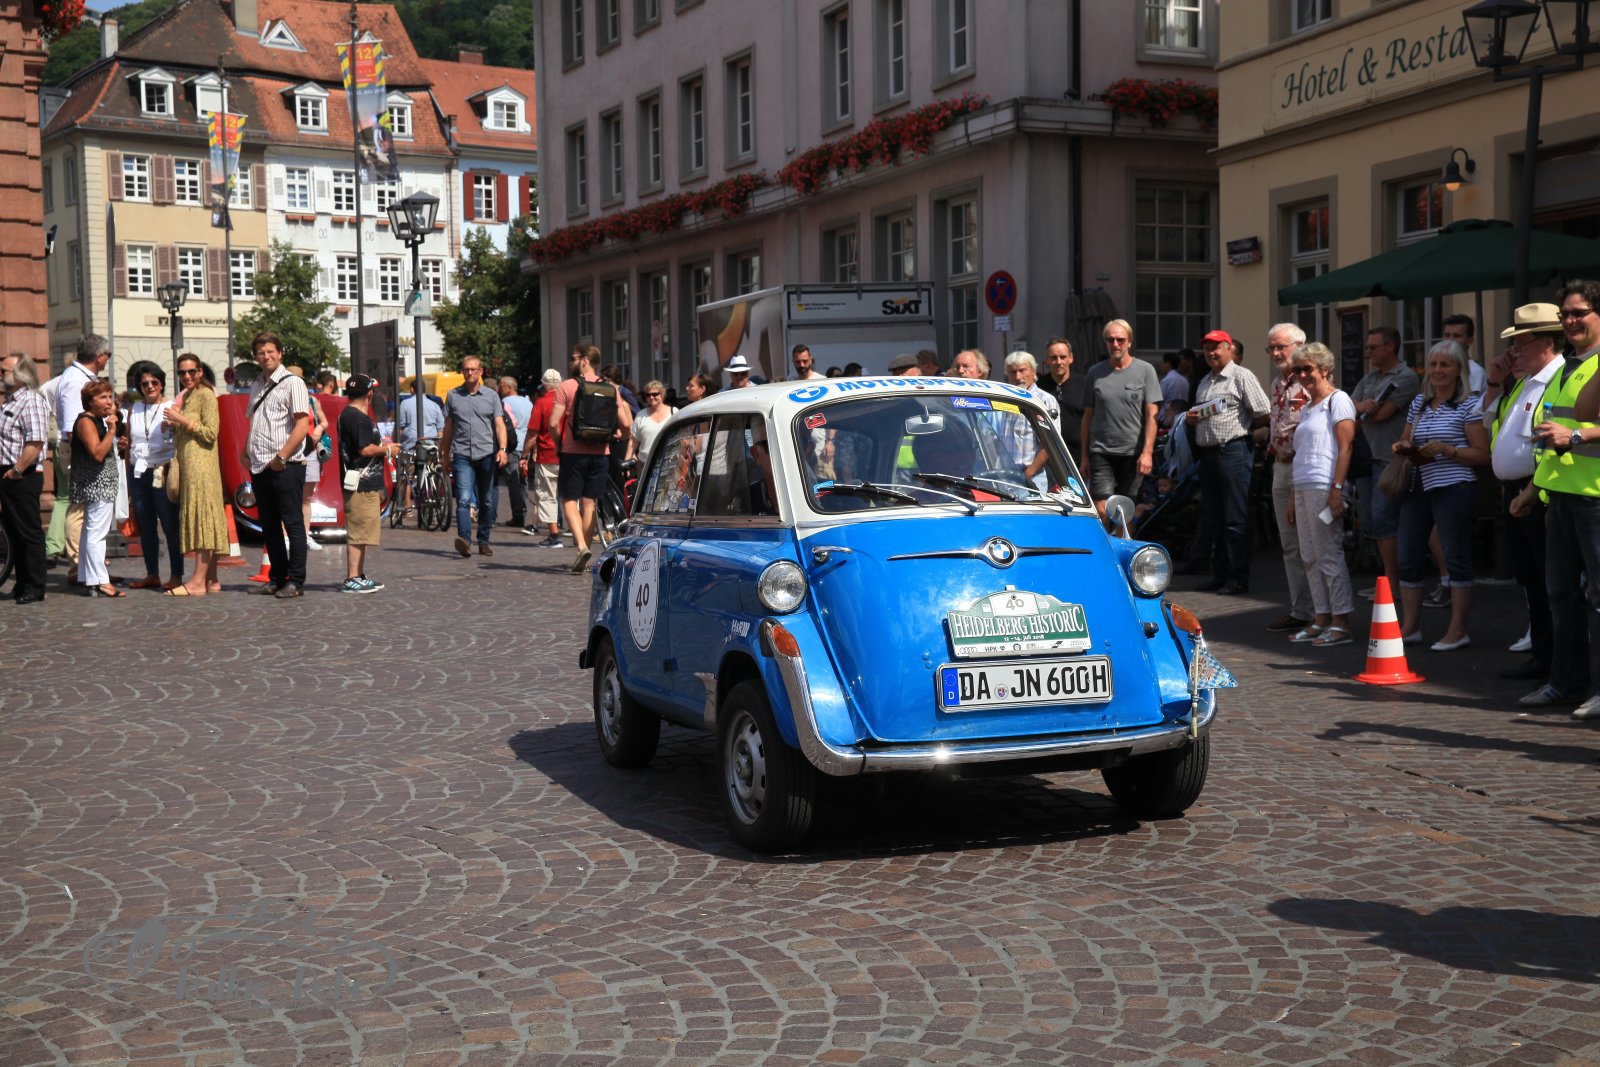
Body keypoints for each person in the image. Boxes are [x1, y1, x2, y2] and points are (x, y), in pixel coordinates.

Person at [1515, 280, 1600, 718]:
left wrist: (1578, 436)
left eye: (1579, 312)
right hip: (1563, 496)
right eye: (1565, 314)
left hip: (1595, 498)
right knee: (1562, 594)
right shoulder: (1567, 367)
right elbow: (1553, 433)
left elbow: (1573, 431)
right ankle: (1565, 683)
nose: (1570, 321)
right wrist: (1535, 490)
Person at [1482, 304, 1566, 684]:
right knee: (1530, 577)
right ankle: (1544, 654)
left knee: (1552, 581)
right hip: (1515, 491)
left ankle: (1559, 659)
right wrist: (1495, 382)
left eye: (1521, 342)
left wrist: (1533, 490)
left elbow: (1554, 444)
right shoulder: (1524, 381)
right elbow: (1488, 421)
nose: (1513, 350)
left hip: (1540, 493)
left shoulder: (1558, 378)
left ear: (1547, 342)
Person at [1393, 340, 1489, 650]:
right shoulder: (1420, 402)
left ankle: (1458, 631)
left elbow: (1482, 455)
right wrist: (1402, 447)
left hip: (1453, 487)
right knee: (1407, 556)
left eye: (1444, 365)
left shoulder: (1469, 404)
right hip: (1418, 485)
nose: (1437, 371)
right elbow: (1405, 439)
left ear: (1459, 369)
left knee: (1454, 556)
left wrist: (1449, 450)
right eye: (1433, 364)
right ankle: (1410, 627)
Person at [1284, 342, 1356, 647]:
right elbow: (1301, 453)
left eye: (1308, 369)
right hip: (1304, 485)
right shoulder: (1308, 407)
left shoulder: (1338, 400)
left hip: (1324, 483)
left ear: (1325, 369)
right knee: (1309, 556)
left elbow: (1346, 448)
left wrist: (1336, 489)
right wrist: (1292, 496)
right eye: (1298, 370)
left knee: (1328, 553)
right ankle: (1321, 617)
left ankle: (1341, 620)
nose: (1302, 375)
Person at [1188, 329, 1271, 595]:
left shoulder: (1241, 376)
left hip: (1233, 451)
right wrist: (1192, 418)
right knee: (1214, 517)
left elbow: (1263, 413)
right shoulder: (1206, 380)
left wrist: (1242, 430)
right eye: (1207, 349)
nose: (1211, 353)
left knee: (1236, 517)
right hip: (1209, 454)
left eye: (1216, 348)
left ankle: (1238, 577)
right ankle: (1220, 574)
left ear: (1228, 348)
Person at [1352, 326, 1420, 605]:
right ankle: (1387, 580)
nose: (1368, 352)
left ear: (1390, 347)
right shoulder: (1370, 378)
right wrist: (1359, 407)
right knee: (1371, 521)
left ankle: (1394, 583)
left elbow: (1380, 415)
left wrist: (1361, 410)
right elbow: (1349, 405)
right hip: (1367, 456)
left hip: (1390, 458)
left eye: (1373, 347)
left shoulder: (1406, 377)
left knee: (1384, 519)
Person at [242, 332, 312, 598]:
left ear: (280, 354)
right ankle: (277, 577)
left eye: (271, 351)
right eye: (261, 353)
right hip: (260, 465)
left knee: (292, 523)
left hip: (286, 464)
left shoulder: (293, 383)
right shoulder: (257, 384)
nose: (266, 356)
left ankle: (296, 581)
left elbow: (302, 425)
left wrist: (281, 457)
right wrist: (245, 451)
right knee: (269, 526)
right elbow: (256, 421)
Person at [552, 344, 632, 573]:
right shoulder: (610, 388)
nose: (570, 362)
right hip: (600, 453)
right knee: (590, 504)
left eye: (573, 358)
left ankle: (581, 546)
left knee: (569, 500)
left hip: (573, 451)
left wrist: (559, 443)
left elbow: (552, 423)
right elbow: (626, 423)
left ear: (585, 360)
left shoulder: (567, 386)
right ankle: (585, 553)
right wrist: (620, 436)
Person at [162, 355, 227, 597]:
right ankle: (211, 579)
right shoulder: (188, 396)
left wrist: (181, 419)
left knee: (203, 520)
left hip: (202, 467)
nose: (187, 376)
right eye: (182, 373)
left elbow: (210, 433)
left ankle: (197, 582)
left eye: (191, 371)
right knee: (204, 518)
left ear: (200, 372)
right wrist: (173, 425)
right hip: (190, 466)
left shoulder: (206, 395)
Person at [1081, 319, 1161, 516]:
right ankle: (1104, 538)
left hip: (1133, 452)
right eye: (1110, 340)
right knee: (1102, 510)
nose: (1115, 344)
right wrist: (1084, 456)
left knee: (1126, 512)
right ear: (1105, 343)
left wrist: (1147, 453)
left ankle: (1122, 538)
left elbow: (1152, 415)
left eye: (1120, 340)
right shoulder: (1095, 373)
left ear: (1129, 342)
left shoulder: (1145, 370)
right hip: (1101, 451)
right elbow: (1087, 416)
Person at [1263, 324, 1313, 630]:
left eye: (1281, 347)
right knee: (1289, 543)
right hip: (1281, 465)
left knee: (1310, 542)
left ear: (1300, 345)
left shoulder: (1310, 380)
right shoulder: (1277, 383)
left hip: (1304, 465)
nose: (1276, 353)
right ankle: (1301, 610)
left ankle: (1323, 612)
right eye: (1271, 348)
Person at [50, 334, 111, 578]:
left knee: (85, 509)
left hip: (83, 450)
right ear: (100, 356)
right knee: (78, 509)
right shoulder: (76, 380)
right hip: (80, 452)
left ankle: (88, 565)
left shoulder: (80, 377)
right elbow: (73, 426)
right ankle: (79, 566)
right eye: (107, 355)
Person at [121, 361, 183, 591]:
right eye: (144, 383)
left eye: (154, 382)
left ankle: (176, 575)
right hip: (139, 472)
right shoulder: (134, 408)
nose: (149, 386)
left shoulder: (171, 406)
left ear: (161, 383)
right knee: (146, 525)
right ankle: (152, 574)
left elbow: (179, 439)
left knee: (169, 525)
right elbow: (129, 443)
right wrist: (128, 476)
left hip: (162, 470)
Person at [441, 355, 509, 559]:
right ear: (462, 371)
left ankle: (484, 540)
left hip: (486, 453)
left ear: (480, 372)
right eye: (466, 369)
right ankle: (465, 541)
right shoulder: (453, 395)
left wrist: (502, 449)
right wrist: (445, 454)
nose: (470, 373)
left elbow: (499, 425)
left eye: (473, 369)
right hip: (462, 453)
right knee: (463, 499)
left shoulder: (491, 396)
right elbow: (448, 427)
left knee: (486, 501)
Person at [337, 374, 396, 593]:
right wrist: (388, 449)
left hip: (363, 481)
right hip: (360, 483)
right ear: (369, 393)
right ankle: (352, 578)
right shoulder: (357, 417)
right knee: (358, 531)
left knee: (362, 531)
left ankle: (359, 575)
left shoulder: (350, 414)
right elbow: (364, 449)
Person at [0, 352, 50, 604]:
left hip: (23, 473)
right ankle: (22, 583)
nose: (1, 375)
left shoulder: (31, 400)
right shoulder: (9, 401)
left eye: (4, 371)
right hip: (7, 472)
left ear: (21, 374)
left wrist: (17, 470)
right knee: (13, 531)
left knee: (28, 531)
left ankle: (35, 586)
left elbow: (36, 441)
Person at [71, 379, 123, 598]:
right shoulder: (87, 421)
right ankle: (100, 581)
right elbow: (97, 453)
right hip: (96, 484)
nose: (109, 402)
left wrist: (116, 442)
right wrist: (112, 430)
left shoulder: (96, 421)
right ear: (90, 401)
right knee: (96, 534)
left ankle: (88, 577)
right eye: (103, 397)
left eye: (110, 397)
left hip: (100, 483)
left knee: (90, 532)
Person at [1000, 351, 1058, 490]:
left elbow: (1051, 443)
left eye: (1022, 370)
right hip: (1005, 477)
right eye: (1013, 372)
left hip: (1032, 476)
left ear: (1033, 371)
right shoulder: (1004, 399)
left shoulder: (1044, 400)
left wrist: (1029, 473)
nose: (1018, 376)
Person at [520, 368, 565, 546]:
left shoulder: (541, 402)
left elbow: (532, 433)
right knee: (572, 497)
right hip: (569, 455)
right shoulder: (568, 400)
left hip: (547, 455)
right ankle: (579, 535)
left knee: (547, 495)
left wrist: (524, 455)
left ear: (544, 385)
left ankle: (554, 535)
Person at [1040, 338, 1085, 468]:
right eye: (1053, 358)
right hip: (1049, 460)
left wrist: (1086, 457)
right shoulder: (1039, 387)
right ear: (1047, 360)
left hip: (1079, 459)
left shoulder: (1084, 384)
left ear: (1071, 358)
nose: (1059, 362)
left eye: (1063, 357)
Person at [498, 375, 533, 530]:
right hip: (526, 445)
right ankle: (523, 509)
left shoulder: (504, 403)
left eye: (501, 386)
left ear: (510, 387)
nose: (499, 389)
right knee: (523, 479)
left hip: (512, 444)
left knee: (513, 480)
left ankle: (518, 514)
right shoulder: (528, 403)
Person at [632, 380, 675, 462]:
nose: (651, 397)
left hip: (668, 462)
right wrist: (628, 458)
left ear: (662, 394)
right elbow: (633, 441)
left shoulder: (674, 412)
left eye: (655, 394)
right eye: (648, 395)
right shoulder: (640, 415)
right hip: (644, 463)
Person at [1159, 351, 1191, 429]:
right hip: (1182, 417)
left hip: (1166, 420)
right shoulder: (1184, 380)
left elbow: (1159, 399)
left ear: (1168, 363)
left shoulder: (1166, 380)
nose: (1161, 365)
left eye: (1163, 362)